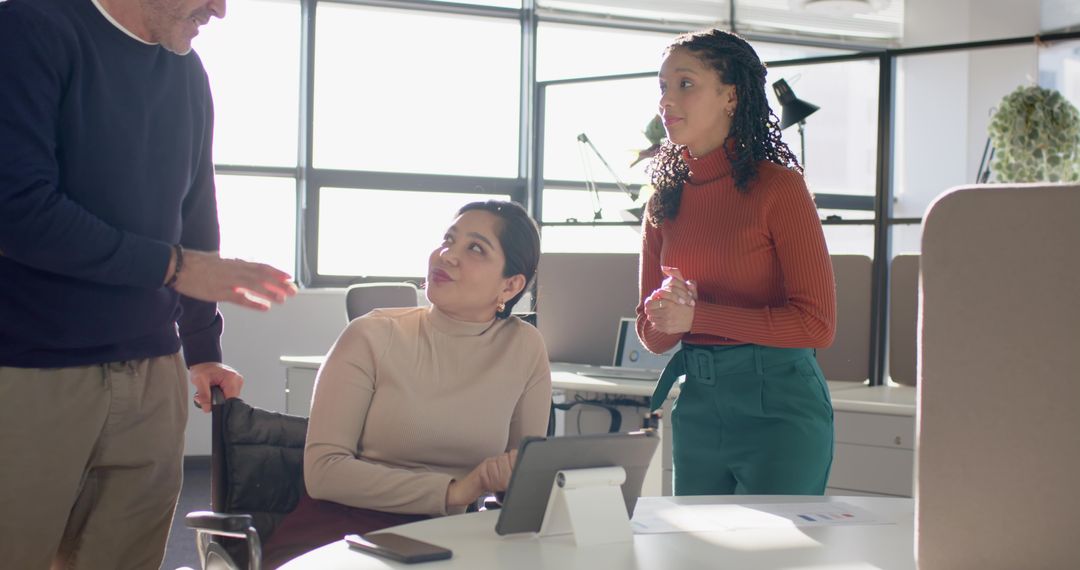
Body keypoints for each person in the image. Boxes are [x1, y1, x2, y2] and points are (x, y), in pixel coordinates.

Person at [0, 0, 299, 567]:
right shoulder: (29, 30)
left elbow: (194, 222)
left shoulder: (186, 70)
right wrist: (176, 268)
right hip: (29, 373)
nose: (221, 9)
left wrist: (204, 347)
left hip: (152, 380)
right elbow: (18, 212)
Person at [262, 200, 551, 568]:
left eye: (474, 247)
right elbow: (323, 471)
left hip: (455, 540)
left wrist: (516, 481)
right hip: (345, 533)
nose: (447, 255)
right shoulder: (371, 335)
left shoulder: (524, 346)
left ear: (510, 285)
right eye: (448, 240)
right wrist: (453, 491)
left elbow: (523, 475)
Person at [638, 29, 837, 497]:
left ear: (731, 95)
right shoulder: (663, 201)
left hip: (780, 410)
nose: (667, 101)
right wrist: (668, 312)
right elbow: (651, 336)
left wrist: (700, 316)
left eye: (685, 84)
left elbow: (817, 326)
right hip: (699, 407)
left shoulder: (779, 189)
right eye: (663, 87)